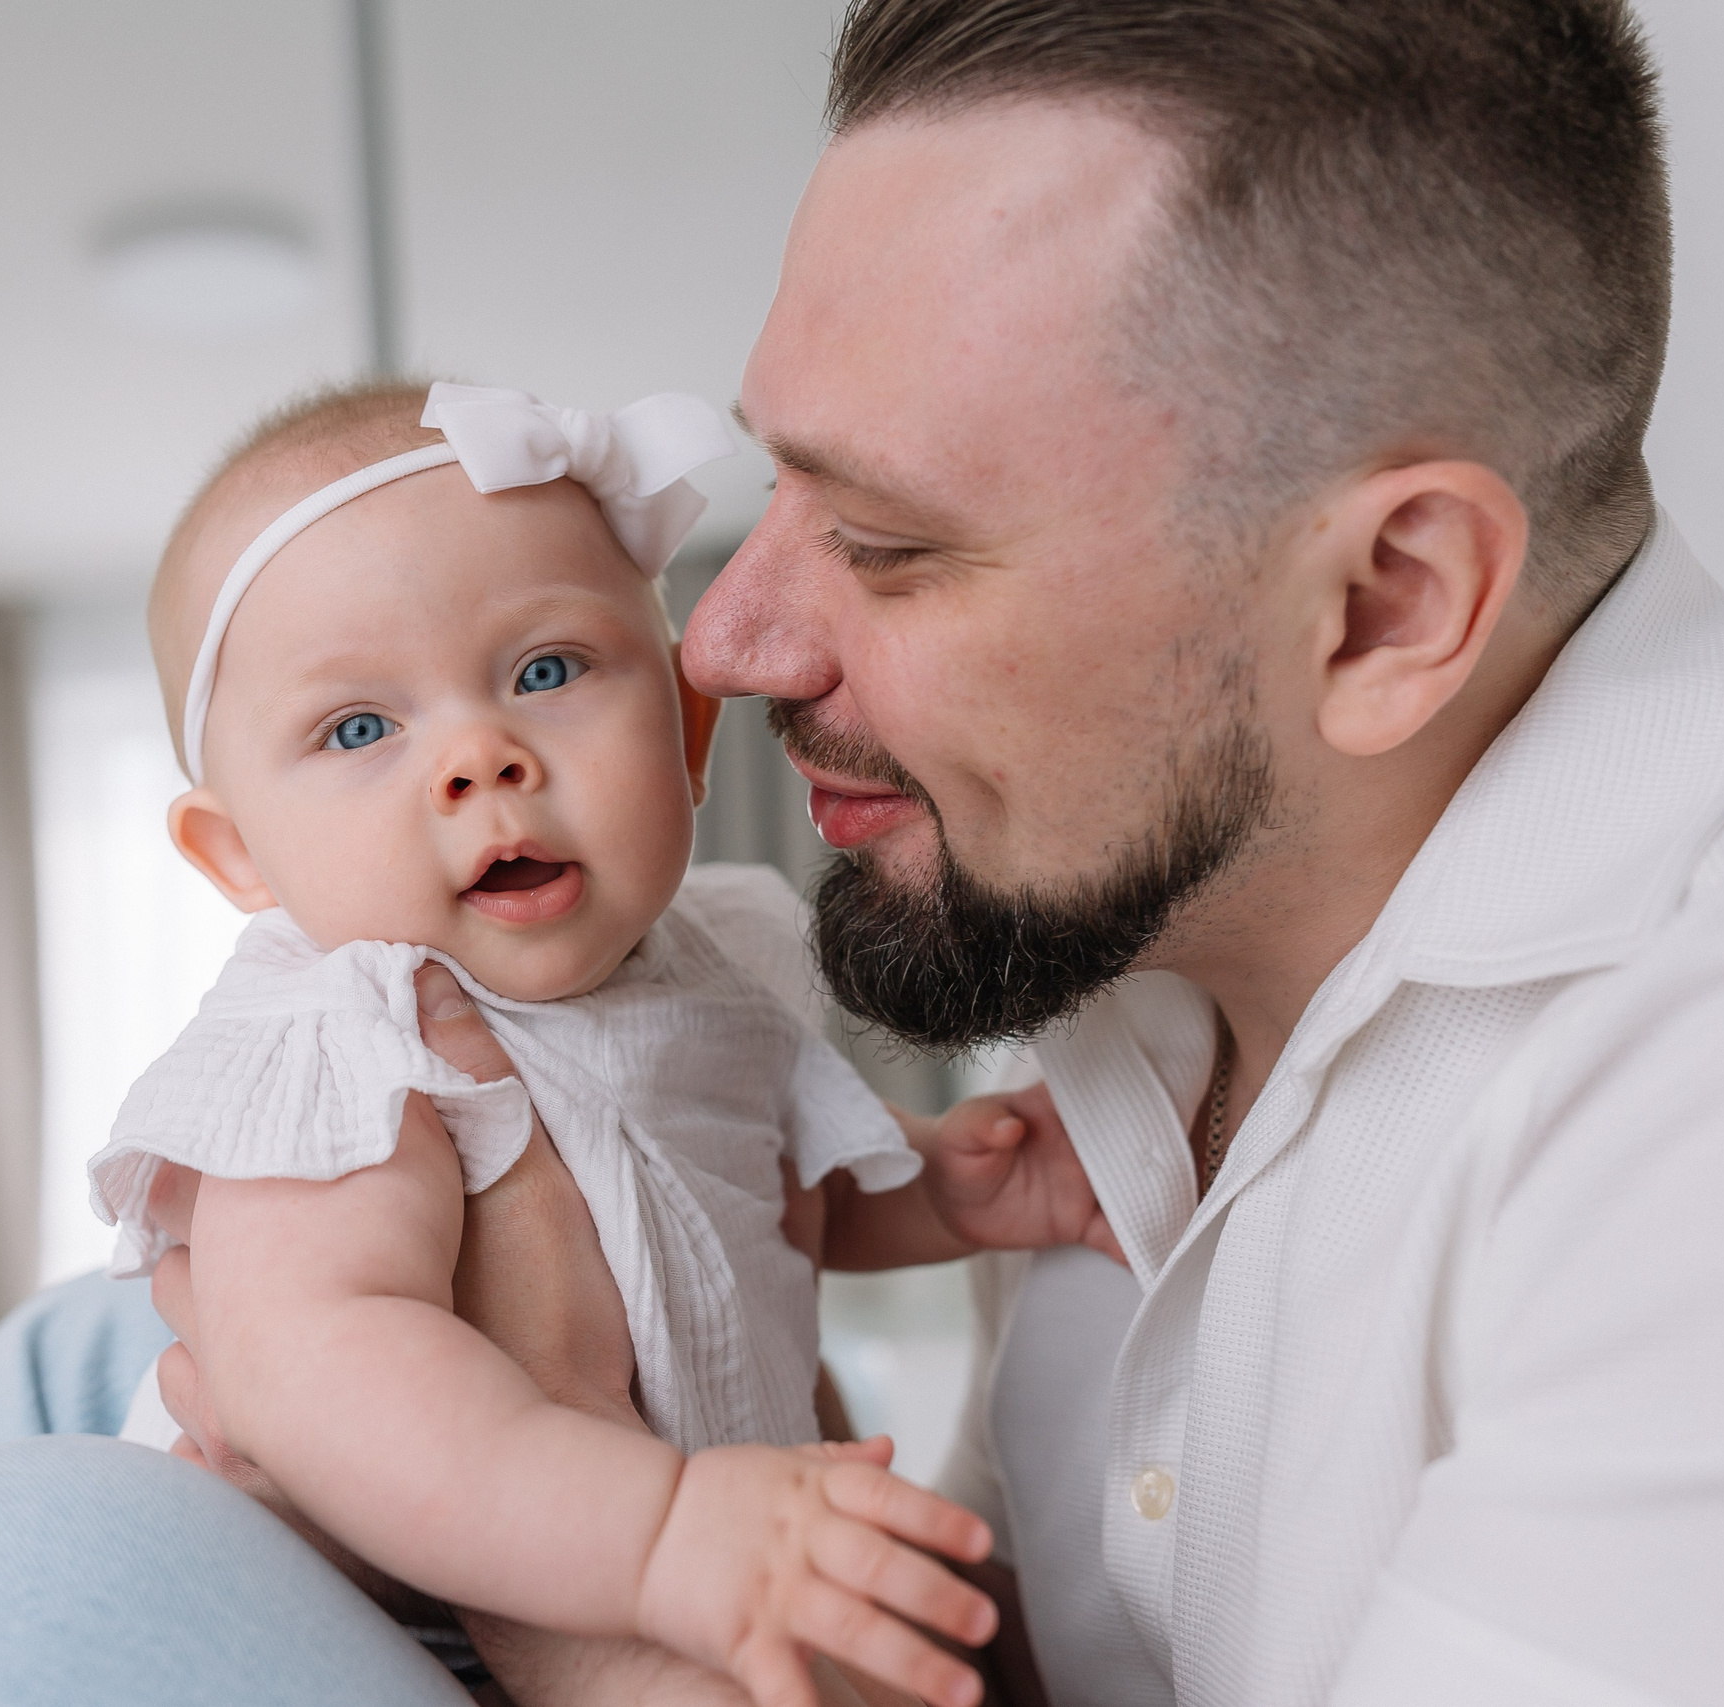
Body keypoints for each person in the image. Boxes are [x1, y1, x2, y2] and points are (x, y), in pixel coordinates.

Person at [0, 1, 1724, 1703]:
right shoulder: (1140, 934)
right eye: (773, 496)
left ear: (1378, 606)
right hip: (358, 1420)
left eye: (887, 544)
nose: (716, 640)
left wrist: (594, 1577)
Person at [85, 376, 1119, 1705]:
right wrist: (657, 1534)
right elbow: (319, 1369)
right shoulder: (347, 1039)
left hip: (686, 1599)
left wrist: (942, 1188)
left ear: (690, 734)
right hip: (395, 1641)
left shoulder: (713, 956)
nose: (480, 756)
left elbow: (761, 1202)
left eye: (547, 669)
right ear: (237, 854)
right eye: (359, 728)